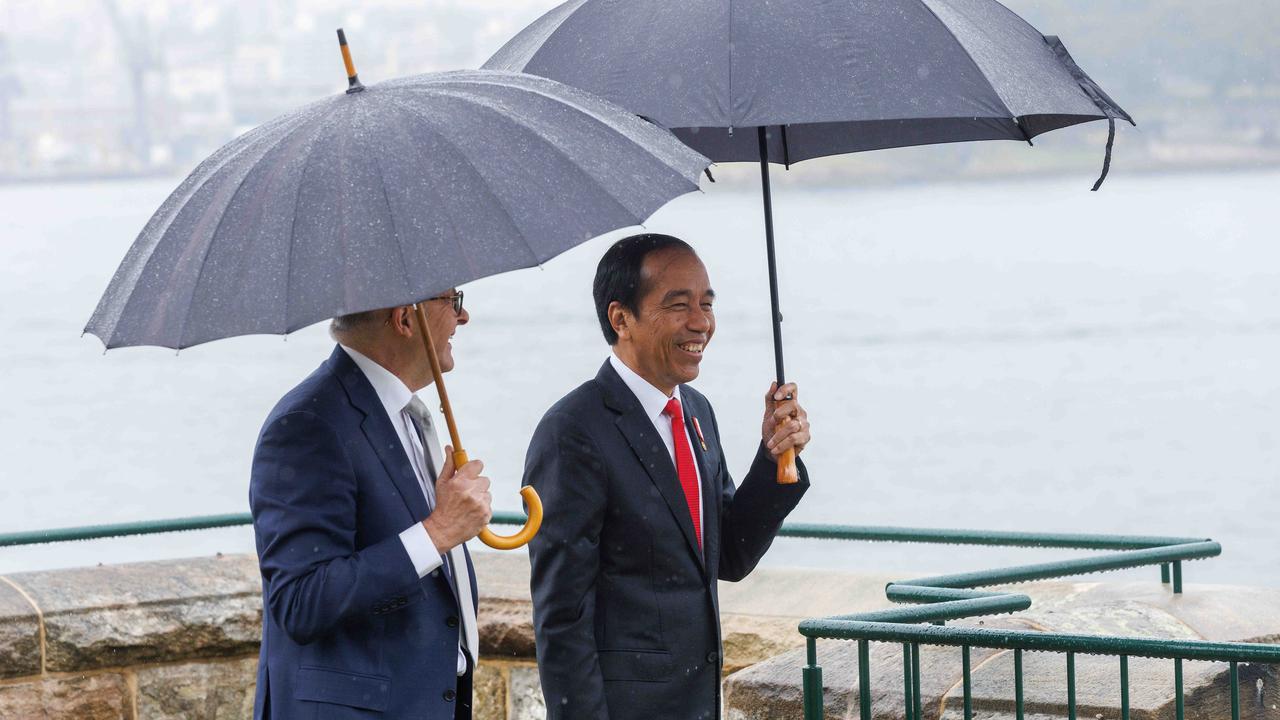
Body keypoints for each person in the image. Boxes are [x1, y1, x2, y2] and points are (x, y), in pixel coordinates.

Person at [524, 234, 813, 719]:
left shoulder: (697, 411)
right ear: (621, 319)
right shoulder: (572, 431)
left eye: (706, 304)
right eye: (679, 306)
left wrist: (773, 460)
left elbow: (730, 555)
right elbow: (561, 616)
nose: (700, 322)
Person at [249, 289, 492, 720]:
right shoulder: (307, 424)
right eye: (452, 302)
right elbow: (300, 601)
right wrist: (438, 531)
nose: (465, 315)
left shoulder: (405, 414)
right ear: (404, 318)